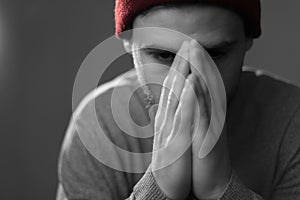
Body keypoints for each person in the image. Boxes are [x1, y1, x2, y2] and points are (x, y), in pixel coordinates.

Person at [56, 0, 300, 199]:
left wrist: (220, 189)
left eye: (214, 54)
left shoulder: (291, 120)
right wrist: (159, 188)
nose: (189, 80)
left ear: (247, 39)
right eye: (163, 55)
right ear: (128, 41)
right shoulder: (98, 126)